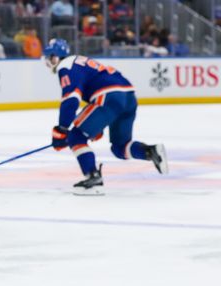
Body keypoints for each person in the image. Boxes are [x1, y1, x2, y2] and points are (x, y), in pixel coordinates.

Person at [43, 39, 167, 195]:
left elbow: (71, 99)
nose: (47, 62)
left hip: (108, 96)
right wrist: (96, 125)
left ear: (55, 57)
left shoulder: (65, 66)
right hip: (128, 96)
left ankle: (93, 178)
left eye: (48, 57)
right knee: (120, 147)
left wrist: (62, 129)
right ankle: (151, 151)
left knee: (76, 136)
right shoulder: (80, 61)